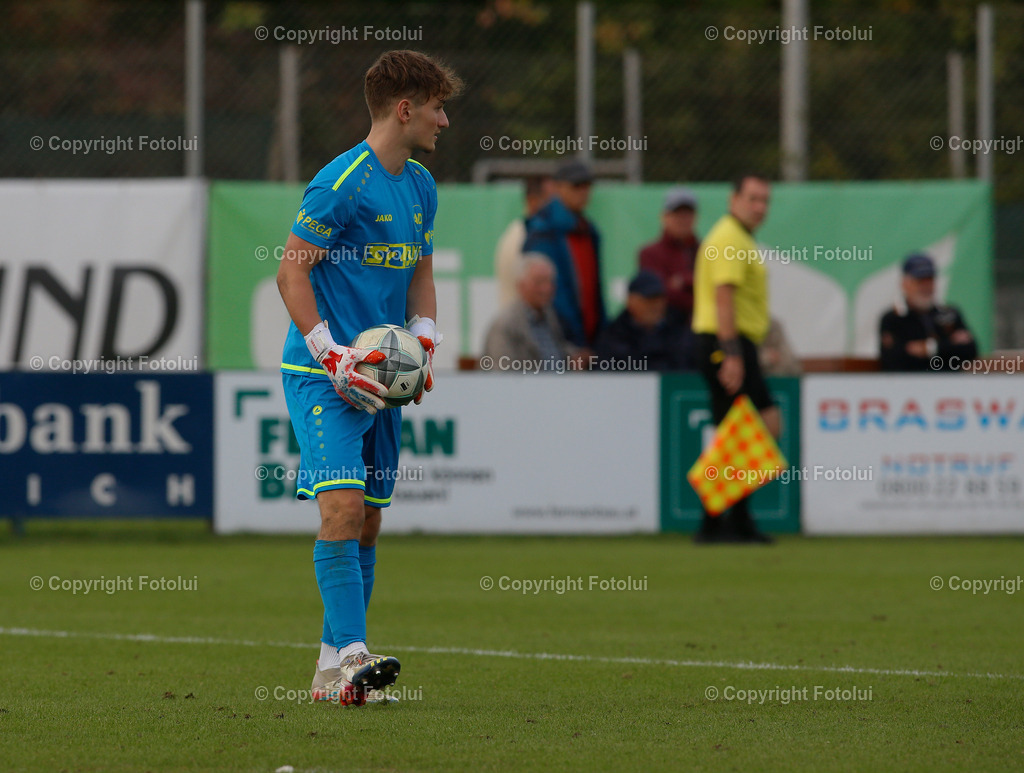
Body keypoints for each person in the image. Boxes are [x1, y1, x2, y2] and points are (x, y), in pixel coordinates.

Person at [275, 50, 462, 706]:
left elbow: (422, 275)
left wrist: (427, 340)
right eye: (437, 107)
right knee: (343, 509)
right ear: (405, 109)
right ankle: (355, 651)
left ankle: (332, 668)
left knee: (371, 522)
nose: (444, 120)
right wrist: (330, 353)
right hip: (322, 374)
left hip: (386, 380)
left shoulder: (420, 186)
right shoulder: (342, 181)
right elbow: (291, 271)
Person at [691, 173, 777, 544]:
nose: (759, 207)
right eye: (752, 199)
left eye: (764, 201)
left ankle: (723, 522)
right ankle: (722, 521)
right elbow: (723, 296)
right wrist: (732, 355)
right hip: (726, 342)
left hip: (734, 343)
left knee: (742, 433)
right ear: (733, 199)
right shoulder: (728, 238)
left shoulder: (738, 237)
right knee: (759, 426)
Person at [523, 159, 607, 348]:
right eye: (577, 185)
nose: (583, 192)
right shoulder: (543, 230)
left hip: (588, 341)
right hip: (559, 340)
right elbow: (548, 295)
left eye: (587, 185)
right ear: (558, 188)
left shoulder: (588, 230)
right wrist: (571, 340)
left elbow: (594, 289)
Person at [879, 253, 977, 371]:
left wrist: (929, 348)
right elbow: (894, 360)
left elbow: (969, 351)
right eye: (920, 281)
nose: (926, 286)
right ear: (905, 283)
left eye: (930, 280)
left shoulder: (949, 314)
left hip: (948, 385)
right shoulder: (893, 319)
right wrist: (948, 345)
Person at [484, 253, 580, 367]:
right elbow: (501, 371)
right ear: (521, 285)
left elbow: (556, 350)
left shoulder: (550, 316)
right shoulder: (505, 325)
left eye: (550, 282)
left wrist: (574, 355)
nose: (546, 288)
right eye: (539, 282)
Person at [594, 270, 695, 372]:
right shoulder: (613, 336)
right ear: (630, 301)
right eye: (648, 300)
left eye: (659, 299)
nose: (654, 306)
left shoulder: (681, 331)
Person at [638, 186, 700, 322]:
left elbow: (715, 291)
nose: (683, 219)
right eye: (677, 213)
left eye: (688, 214)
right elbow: (660, 295)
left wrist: (683, 280)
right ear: (664, 216)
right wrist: (697, 285)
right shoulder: (649, 254)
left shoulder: (706, 251)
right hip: (666, 333)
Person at [494, 175, 554, 308]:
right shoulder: (524, 238)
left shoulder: (517, 233)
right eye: (551, 201)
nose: (557, 208)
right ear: (533, 201)